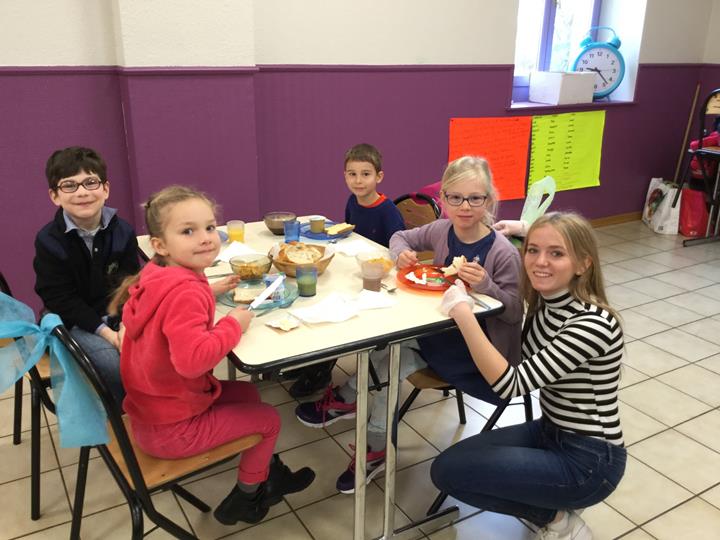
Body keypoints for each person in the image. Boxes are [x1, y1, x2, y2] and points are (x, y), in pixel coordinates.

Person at [296, 155, 523, 494]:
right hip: (440, 330)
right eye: (455, 197)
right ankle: (349, 399)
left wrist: (488, 286)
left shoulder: (502, 252)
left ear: (489, 201)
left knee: (389, 364)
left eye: (475, 198)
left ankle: (374, 448)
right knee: (380, 347)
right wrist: (401, 253)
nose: (465, 206)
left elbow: (515, 312)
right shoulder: (443, 229)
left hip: (477, 352)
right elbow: (401, 236)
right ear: (443, 200)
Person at [113, 185, 314, 525]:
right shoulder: (185, 292)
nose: (205, 238)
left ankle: (267, 473)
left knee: (248, 393)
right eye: (188, 231)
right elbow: (193, 361)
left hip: (152, 411)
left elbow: (171, 307)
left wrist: (209, 289)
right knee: (270, 419)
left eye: (209, 227)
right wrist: (234, 324)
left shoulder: (158, 274)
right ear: (159, 245)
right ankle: (248, 498)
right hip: (171, 428)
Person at [431, 212, 626, 540]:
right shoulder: (545, 304)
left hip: (591, 461)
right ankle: (553, 507)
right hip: (550, 432)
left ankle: (555, 516)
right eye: (533, 250)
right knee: (449, 467)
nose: (540, 262)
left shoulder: (592, 324)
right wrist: (523, 230)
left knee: (449, 473)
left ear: (583, 264)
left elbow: (511, 384)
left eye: (557, 254)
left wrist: (462, 311)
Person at [287, 143, 406, 398]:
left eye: (366, 174)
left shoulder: (388, 212)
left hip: (379, 282)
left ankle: (320, 371)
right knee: (318, 296)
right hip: (354, 269)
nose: (358, 180)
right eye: (352, 174)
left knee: (333, 308)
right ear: (344, 176)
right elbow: (349, 233)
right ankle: (311, 361)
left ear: (379, 177)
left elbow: (397, 249)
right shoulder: (353, 200)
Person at [33, 146, 140, 405]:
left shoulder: (123, 231)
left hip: (116, 314)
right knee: (118, 368)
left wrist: (126, 327)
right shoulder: (49, 240)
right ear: (55, 196)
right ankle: (125, 421)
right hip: (72, 320)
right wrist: (108, 334)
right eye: (69, 185)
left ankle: (167, 411)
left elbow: (130, 285)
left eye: (91, 182)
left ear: (105, 189)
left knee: (158, 353)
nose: (82, 192)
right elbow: (60, 299)